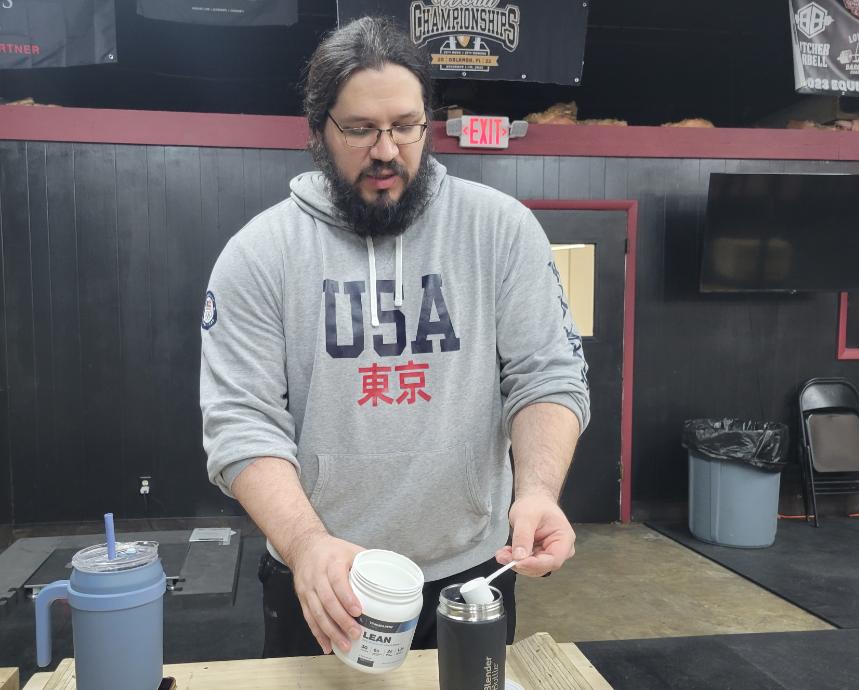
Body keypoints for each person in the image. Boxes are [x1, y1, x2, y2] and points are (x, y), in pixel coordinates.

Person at [200, 15, 590, 659]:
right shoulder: (260, 255)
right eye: (359, 130)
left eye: (406, 126)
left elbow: (546, 375)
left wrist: (539, 493)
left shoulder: (501, 231)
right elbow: (241, 423)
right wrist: (306, 546)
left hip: (472, 571)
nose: (386, 150)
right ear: (318, 131)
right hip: (324, 582)